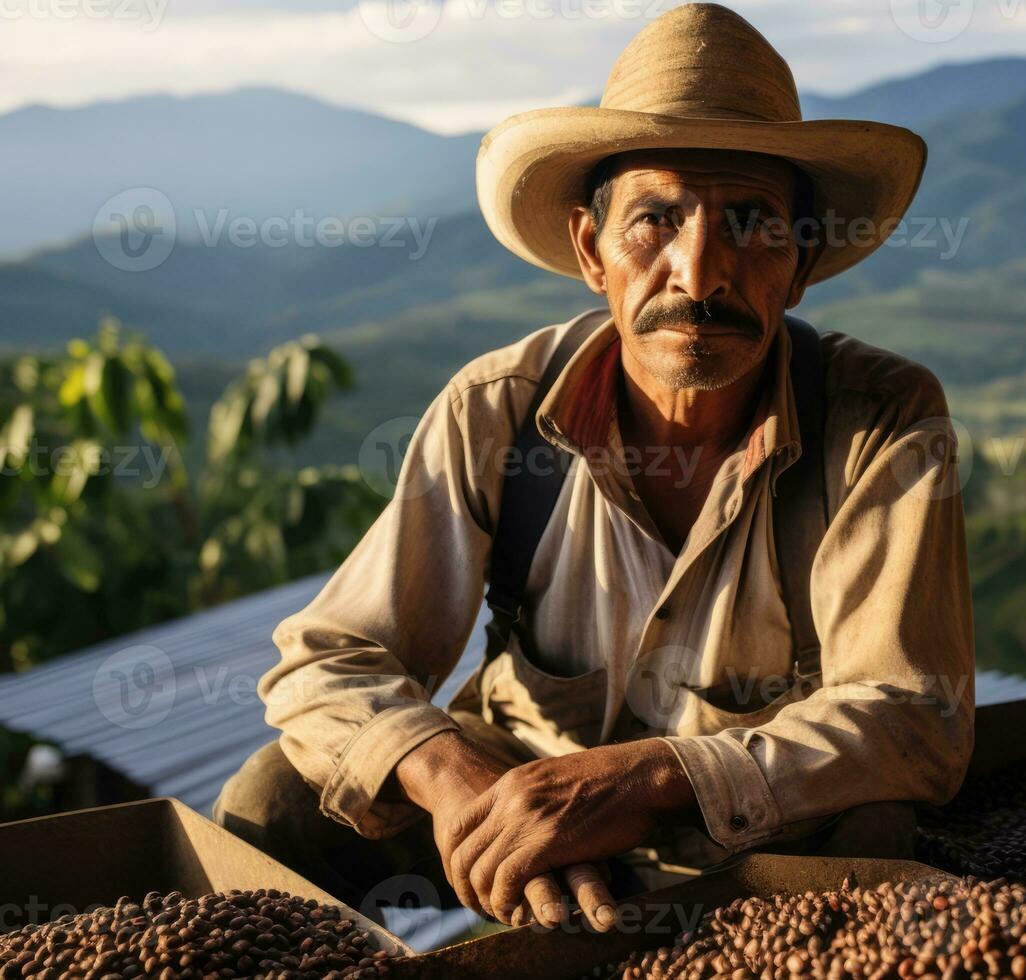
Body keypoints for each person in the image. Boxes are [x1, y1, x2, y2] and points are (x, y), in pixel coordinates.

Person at [215, 1, 974, 934]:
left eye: (752, 224)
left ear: (802, 260)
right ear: (592, 250)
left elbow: (911, 716)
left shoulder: (878, 421)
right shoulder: (499, 410)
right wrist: (456, 783)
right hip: (519, 794)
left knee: (875, 817)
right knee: (276, 800)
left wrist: (655, 778)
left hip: (753, 830)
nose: (701, 275)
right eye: (655, 219)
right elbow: (327, 660)